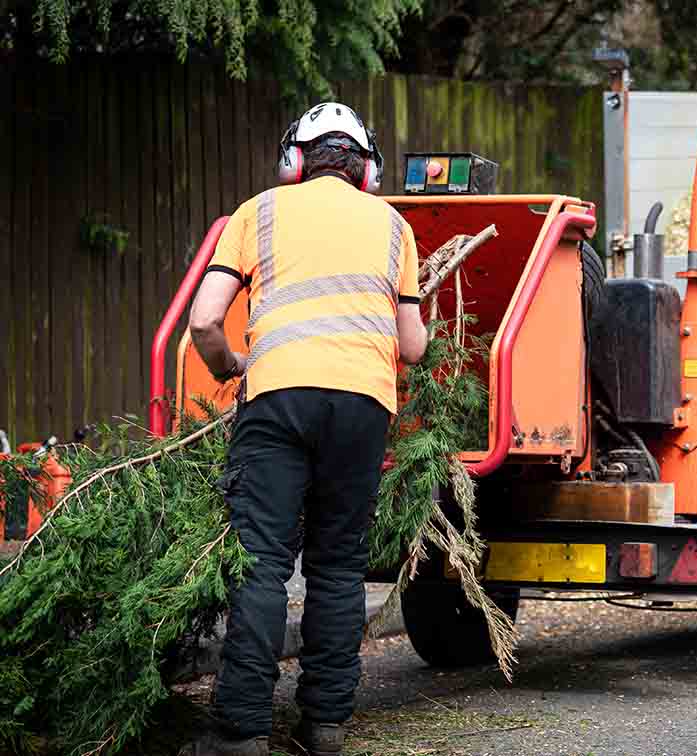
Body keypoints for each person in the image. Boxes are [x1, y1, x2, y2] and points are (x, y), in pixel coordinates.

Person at [183, 102, 428, 756]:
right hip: (362, 408)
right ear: (366, 168)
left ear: (295, 160)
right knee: (339, 565)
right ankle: (324, 725)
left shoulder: (257, 212)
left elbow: (205, 321)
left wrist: (230, 363)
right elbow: (412, 347)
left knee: (261, 563)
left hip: (278, 399)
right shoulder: (393, 226)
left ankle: (241, 733)